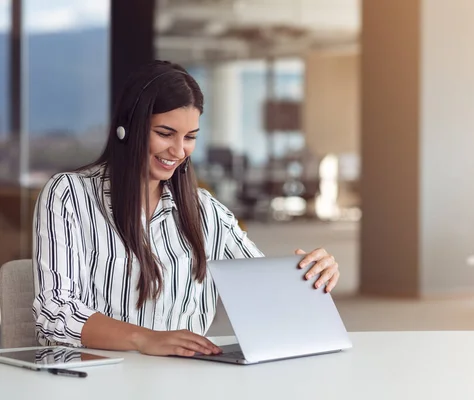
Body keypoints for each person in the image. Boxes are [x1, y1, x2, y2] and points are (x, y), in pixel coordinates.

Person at [32, 60, 340, 358]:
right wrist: (145, 339)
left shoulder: (206, 211)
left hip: (183, 381)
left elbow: (264, 289)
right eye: (165, 133)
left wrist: (309, 276)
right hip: (93, 380)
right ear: (128, 128)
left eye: (190, 137)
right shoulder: (69, 195)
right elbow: (55, 310)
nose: (178, 151)